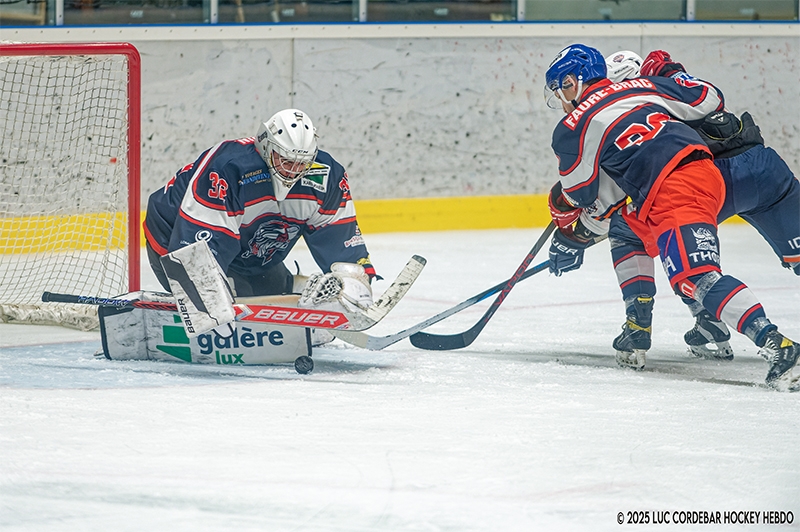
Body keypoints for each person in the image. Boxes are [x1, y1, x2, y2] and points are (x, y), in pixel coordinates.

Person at [543, 43, 799, 392]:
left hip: (676, 188)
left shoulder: (572, 125)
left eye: (562, 88)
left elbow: (584, 196)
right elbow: (710, 100)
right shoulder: (646, 86)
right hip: (713, 172)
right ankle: (649, 326)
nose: (560, 98)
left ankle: (779, 346)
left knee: (695, 277)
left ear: (576, 81)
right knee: (631, 229)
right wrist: (671, 74)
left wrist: (566, 227)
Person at [602, 50, 800, 361]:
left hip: (712, 180)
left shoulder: (628, 109)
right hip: (767, 170)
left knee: (638, 233)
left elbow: (612, 191)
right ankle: (708, 321)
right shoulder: (675, 81)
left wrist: (573, 233)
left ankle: (639, 326)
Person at [144, 108, 377, 315]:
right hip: (173, 235)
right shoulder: (229, 168)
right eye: (286, 160)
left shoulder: (327, 176)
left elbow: (339, 237)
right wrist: (208, 304)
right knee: (232, 298)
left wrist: (355, 281)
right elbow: (195, 249)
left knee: (277, 294)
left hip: (248, 249)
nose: (294, 171)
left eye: (302, 163)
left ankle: (290, 285)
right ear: (266, 147)